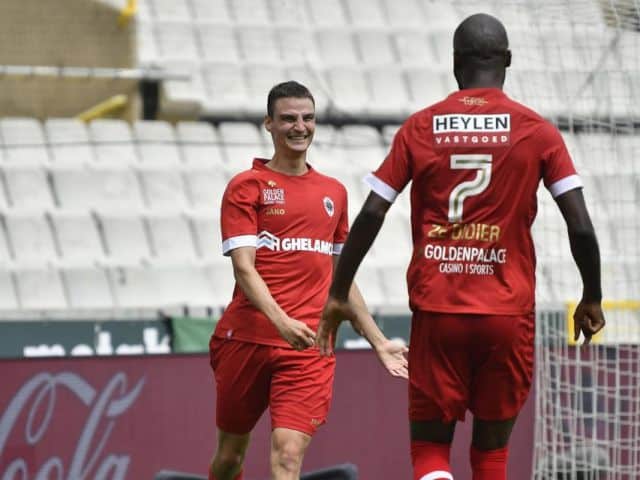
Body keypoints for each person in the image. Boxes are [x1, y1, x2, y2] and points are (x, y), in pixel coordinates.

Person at [317, 14, 606, 480]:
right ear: (507, 61)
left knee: (430, 449)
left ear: (455, 63)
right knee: (491, 457)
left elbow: (372, 213)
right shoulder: (537, 131)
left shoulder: (420, 127)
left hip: (439, 312)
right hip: (506, 316)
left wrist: (338, 292)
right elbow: (582, 227)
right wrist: (591, 295)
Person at [208, 80, 408, 480]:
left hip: (308, 347)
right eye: (288, 119)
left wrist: (378, 340)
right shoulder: (247, 187)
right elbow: (244, 269)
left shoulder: (333, 192)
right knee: (230, 457)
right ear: (269, 125)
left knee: (288, 454)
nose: (299, 127)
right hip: (247, 340)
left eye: (307, 118)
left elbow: (343, 278)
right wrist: (281, 322)